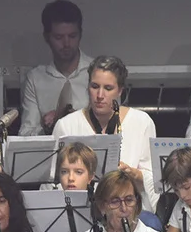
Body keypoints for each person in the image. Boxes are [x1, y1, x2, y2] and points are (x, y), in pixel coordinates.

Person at [53, 56, 159, 212]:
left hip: (129, 210)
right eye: (94, 86)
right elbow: (52, 182)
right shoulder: (66, 125)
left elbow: (155, 181)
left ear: (120, 91)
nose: (100, 95)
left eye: (108, 88)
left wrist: (133, 174)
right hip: (80, 209)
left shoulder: (142, 122)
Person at [19, 0, 92, 136]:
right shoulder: (36, 79)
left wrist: (81, 121)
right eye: (59, 37)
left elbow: (113, 128)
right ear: (47, 37)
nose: (66, 43)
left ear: (80, 34)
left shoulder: (98, 73)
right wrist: (46, 130)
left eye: (72, 36)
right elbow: (25, 133)